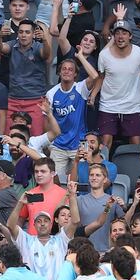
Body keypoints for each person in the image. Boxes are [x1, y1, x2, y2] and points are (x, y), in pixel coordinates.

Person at [97, 19, 140, 150]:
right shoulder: (103, 55)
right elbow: (100, 77)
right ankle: (103, 164)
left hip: (132, 106)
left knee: (136, 143)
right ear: (113, 36)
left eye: (124, 33)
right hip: (108, 105)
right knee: (105, 143)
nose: (120, 36)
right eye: (117, 33)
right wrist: (93, 95)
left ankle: (138, 164)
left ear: (130, 36)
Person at [7, 181, 80, 280]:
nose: (42, 224)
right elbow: (10, 225)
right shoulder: (26, 240)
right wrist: (20, 203)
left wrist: (72, 195)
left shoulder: (60, 240)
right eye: (39, 221)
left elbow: (75, 221)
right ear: (34, 225)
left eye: (46, 221)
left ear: (51, 224)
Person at [46, 47, 100, 182]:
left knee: (81, 181)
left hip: (80, 144)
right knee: (55, 181)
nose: (67, 71)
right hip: (58, 145)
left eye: (71, 69)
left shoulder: (80, 88)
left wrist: (80, 56)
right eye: (64, 69)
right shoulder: (51, 93)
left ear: (75, 74)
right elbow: (47, 122)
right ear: (59, 72)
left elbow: (95, 76)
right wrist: (50, 143)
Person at [0, 20, 53, 137]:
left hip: (35, 100)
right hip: (14, 99)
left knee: (35, 137)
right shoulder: (12, 45)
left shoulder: (38, 47)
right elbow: (0, 48)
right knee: (9, 137)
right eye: (21, 32)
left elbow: (46, 54)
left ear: (33, 34)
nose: (23, 35)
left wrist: (45, 40)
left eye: (27, 32)